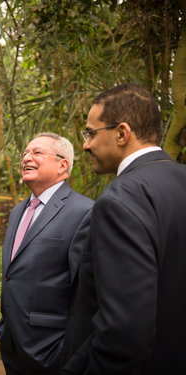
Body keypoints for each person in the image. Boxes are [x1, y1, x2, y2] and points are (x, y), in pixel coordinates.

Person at [62, 83, 186, 374]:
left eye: (91, 133)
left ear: (121, 133)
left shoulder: (120, 201)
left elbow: (125, 331)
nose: (85, 144)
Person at [0, 132, 94, 375]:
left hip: (52, 350)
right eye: (25, 153)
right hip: (10, 343)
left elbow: (87, 293)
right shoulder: (19, 210)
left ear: (63, 165)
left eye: (37, 152)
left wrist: (68, 350)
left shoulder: (85, 212)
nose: (26, 158)